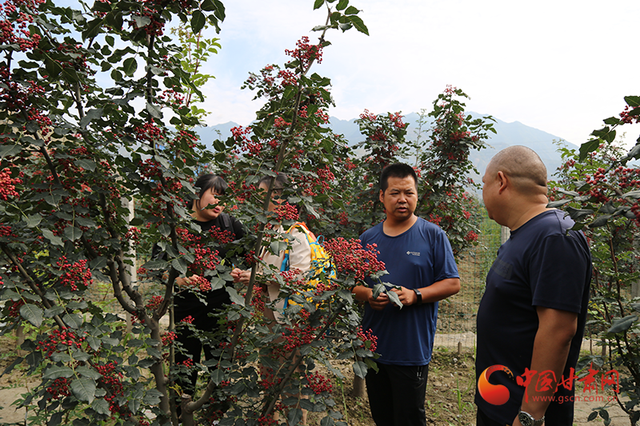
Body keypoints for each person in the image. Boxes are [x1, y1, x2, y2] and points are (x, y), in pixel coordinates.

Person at [475, 146, 592, 426]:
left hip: (523, 414)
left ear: (501, 182)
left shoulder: (555, 236)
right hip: (499, 404)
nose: (482, 193)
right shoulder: (524, 235)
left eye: (484, 184)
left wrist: (530, 416)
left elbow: (558, 330)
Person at [351, 162, 461, 426]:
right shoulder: (368, 238)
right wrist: (367, 294)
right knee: (382, 416)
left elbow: (452, 283)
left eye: (409, 193)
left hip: (411, 349)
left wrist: (416, 295)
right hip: (374, 348)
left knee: (410, 417)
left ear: (416, 195)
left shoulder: (432, 235)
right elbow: (351, 286)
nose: (402, 199)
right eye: (395, 193)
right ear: (381, 196)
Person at [170, 174, 245, 397]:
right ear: (196, 193)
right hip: (186, 309)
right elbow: (158, 265)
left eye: (224, 199)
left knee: (220, 368)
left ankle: (216, 415)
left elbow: (253, 256)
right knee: (184, 368)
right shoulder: (178, 226)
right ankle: (182, 414)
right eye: (215, 196)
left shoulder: (229, 224)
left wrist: (241, 273)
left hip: (221, 310)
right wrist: (178, 279)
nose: (220, 204)